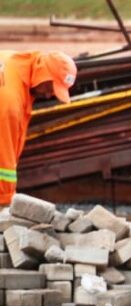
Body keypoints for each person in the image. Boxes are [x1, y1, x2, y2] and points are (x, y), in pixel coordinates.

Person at [0, 50, 77, 205]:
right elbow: (3, 157)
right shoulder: (10, 102)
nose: (49, 96)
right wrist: (6, 201)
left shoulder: (17, 62)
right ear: (44, 74)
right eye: (50, 87)